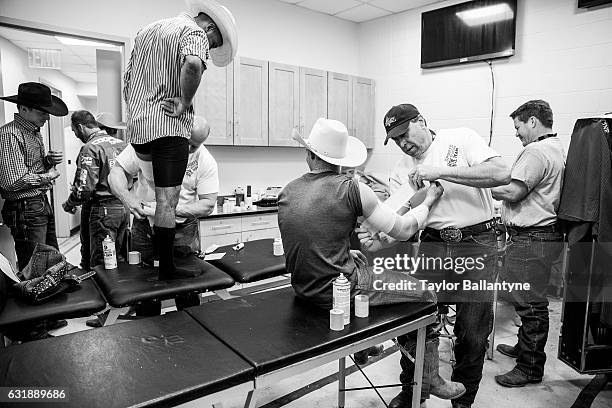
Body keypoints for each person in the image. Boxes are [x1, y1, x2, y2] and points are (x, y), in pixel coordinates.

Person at [278, 118, 465, 408]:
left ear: (310, 155)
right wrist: (428, 201)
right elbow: (402, 230)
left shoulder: (287, 191)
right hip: (341, 291)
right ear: (341, 160)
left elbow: (305, 243)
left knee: (382, 278)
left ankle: (370, 350)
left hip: (304, 289)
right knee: (427, 293)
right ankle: (431, 378)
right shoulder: (352, 189)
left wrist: (341, 252)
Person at [359, 104, 510, 408]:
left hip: (476, 243)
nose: (403, 143)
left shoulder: (460, 138)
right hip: (432, 245)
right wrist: (382, 237)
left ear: (421, 121)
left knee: (472, 332)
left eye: (404, 133)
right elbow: (400, 217)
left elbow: (501, 173)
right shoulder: (402, 168)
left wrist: (440, 171)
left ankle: (463, 400)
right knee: (414, 322)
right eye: (395, 138)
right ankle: (414, 391)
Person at [123, 0, 236, 280]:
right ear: (209, 27)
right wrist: (185, 102)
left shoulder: (146, 30)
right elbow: (193, 64)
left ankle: (157, 262)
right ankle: (168, 270)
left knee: (150, 183)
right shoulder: (193, 32)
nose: (208, 48)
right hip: (168, 126)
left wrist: (138, 113)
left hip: (139, 129)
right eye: (212, 42)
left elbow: (128, 80)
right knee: (166, 202)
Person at [108, 116, 218, 314]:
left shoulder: (205, 160)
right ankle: (149, 335)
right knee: (145, 287)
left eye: (196, 146)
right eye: (188, 144)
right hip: (144, 227)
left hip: (182, 229)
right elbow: (116, 173)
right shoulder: (148, 146)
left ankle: (191, 331)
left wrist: (163, 211)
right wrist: (128, 198)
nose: (191, 150)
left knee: (186, 291)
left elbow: (207, 205)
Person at [490, 100, 565, 387]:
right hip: (544, 236)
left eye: (518, 127)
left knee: (531, 305)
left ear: (532, 121)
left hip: (531, 237)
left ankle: (530, 367)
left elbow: (513, 191)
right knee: (528, 299)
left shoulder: (536, 151)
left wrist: (479, 185)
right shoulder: (556, 147)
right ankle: (524, 349)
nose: (518, 134)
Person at [0, 81, 68, 340]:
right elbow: (11, 180)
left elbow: (28, 167)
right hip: (26, 207)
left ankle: (46, 318)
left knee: (50, 260)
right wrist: (48, 174)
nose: (46, 117)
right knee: (33, 267)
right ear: (24, 108)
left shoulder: (33, 132)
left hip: (38, 204)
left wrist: (47, 162)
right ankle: (32, 330)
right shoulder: (9, 135)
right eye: (42, 112)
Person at [62, 110, 129, 271]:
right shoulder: (123, 145)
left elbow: (84, 189)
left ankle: (101, 295)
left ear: (80, 127)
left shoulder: (90, 148)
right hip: (123, 208)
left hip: (102, 210)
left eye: (74, 131)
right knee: (118, 257)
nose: (76, 135)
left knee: (101, 260)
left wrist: (70, 203)